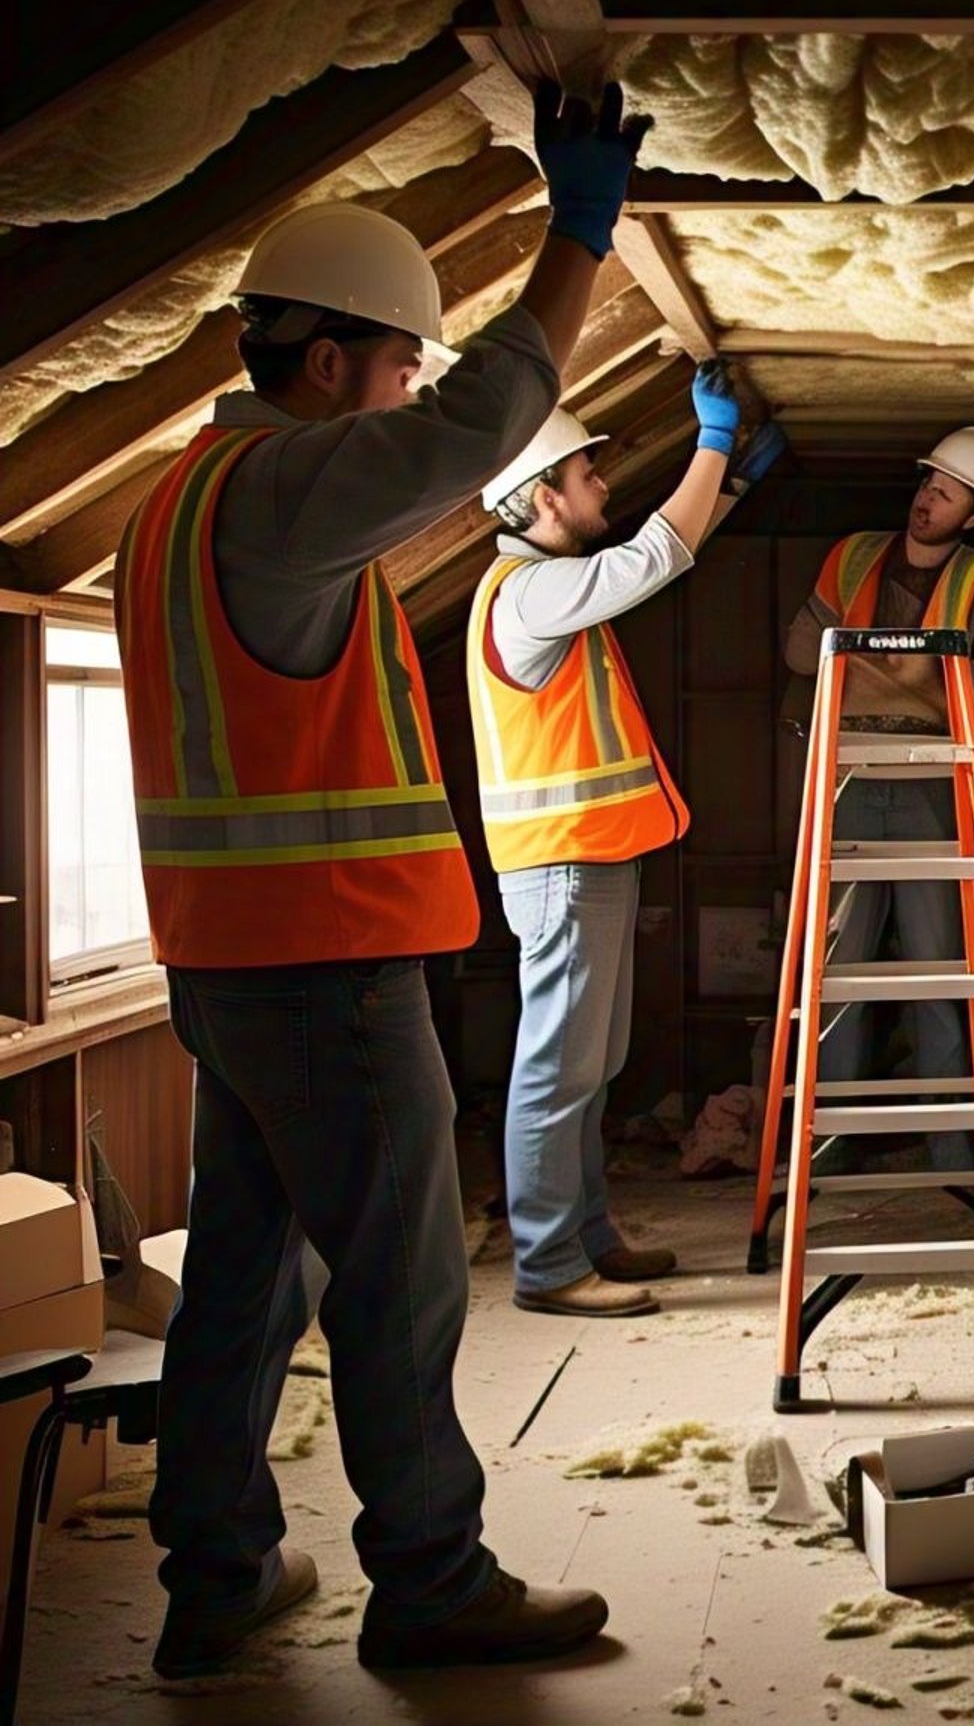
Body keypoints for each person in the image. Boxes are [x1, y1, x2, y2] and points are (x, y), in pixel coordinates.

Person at [116, 84, 649, 1675]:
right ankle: (430, 1585)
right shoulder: (281, 494)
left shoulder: (169, 503)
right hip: (324, 974)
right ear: (335, 360)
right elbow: (474, 423)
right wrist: (575, 238)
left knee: (241, 1284)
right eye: (399, 360)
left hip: (224, 969)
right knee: (400, 1291)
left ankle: (215, 1585)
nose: (411, 387)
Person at [468, 385, 786, 1317]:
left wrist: (726, 487)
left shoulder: (545, 586)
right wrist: (712, 445)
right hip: (561, 864)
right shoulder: (529, 592)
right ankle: (548, 1267)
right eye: (586, 474)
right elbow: (654, 557)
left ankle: (589, 1237)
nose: (602, 484)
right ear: (542, 498)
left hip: (586, 861)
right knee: (556, 1071)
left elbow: (650, 559)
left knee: (591, 1068)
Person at [784, 430, 974, 1162]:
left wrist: (860, 660)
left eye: (948, 493)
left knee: (939, 971)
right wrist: (925, 672)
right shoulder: (855, 553)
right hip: (849, 777)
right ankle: (825, 1149)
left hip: (931, 783)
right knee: (839, 974)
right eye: (928, 484)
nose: (928, 500)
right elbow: (800, 652)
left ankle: (954, 1154)